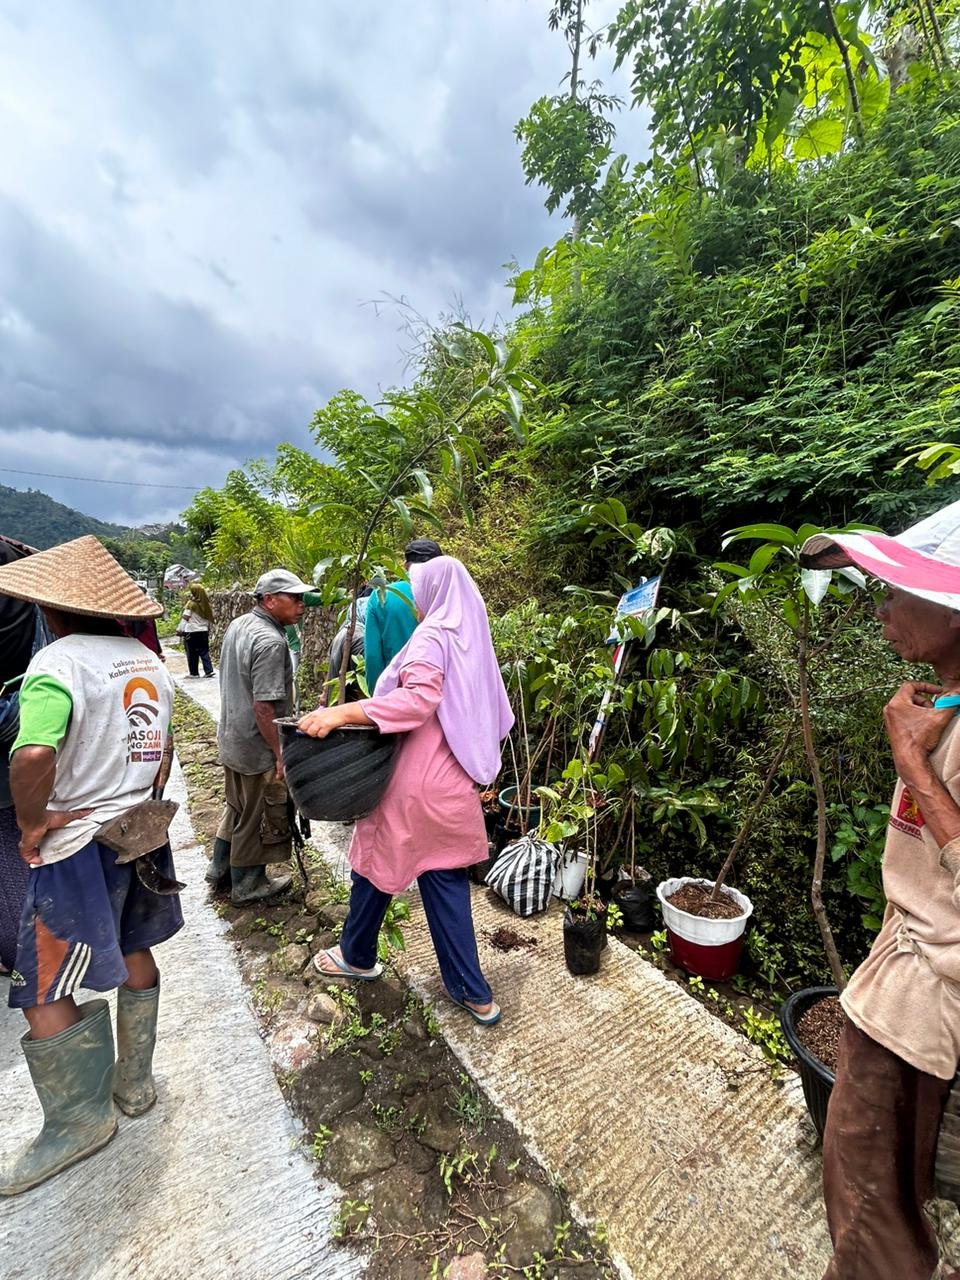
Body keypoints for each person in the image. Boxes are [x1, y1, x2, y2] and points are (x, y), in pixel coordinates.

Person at [801, 500, 960, 1280]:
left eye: (898, 593)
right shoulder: (942, 706)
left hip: (925, 1003)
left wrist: (914, 768)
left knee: (870, 1218)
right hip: (905, 981)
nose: (882, 610)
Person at [0, 535, 182, 1195]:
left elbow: (32, 755)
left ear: (52, 608)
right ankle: (134, 1084)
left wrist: (31, 823)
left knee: (43, 986)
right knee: (135, 947)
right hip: (139, 832)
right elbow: (162, 752)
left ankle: (79, 1122)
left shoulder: (56, 663)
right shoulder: (148, 662)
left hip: (77, 844)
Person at [298, 555, 513, 1025]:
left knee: (374, 864)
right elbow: (498, 714)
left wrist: (342, 712)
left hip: (413, 783)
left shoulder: (433, 635)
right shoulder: (472, 639)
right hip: (454, 783)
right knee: (444, 881)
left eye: (418, 590)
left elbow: (417, 700)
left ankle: (356, 956)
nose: (415, 601)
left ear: (434, 590)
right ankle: (473, 993)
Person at [210, 567, 313, 903]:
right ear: (269, 600)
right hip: (256, 745)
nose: (301, 605)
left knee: (237, 806)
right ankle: (248, 884)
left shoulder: (239, 625)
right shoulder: (271, 642)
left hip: (232, 737)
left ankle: (219, 868)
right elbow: (264, 707)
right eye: (294, 598)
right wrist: (280, 754)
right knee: (258, 815)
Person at [0, 535, 50, 977]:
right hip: (24, 715)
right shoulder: (18, 561)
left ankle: (29, 968)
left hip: (15, 753)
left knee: (14, 853)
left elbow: (32, 755)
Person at [364, 538, 443, 694]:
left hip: (395, 694)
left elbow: (373, 657)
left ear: (406, 565)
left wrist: (377, 696)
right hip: (440, 693)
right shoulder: (449, 595)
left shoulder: (382, 596)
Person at [323, 587, 372, 704]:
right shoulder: (360, 638)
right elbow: (364, 690)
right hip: (348, 708)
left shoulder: (344, 632)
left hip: (336, 707)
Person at [178, 582, 215, 678]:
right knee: (204, 651)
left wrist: (180, 629)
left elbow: (185, 617)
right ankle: (209, 671)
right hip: (203, 631)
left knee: (192, 653)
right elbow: (210, 619)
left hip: (191, 632)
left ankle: (194, 673)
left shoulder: (191, 604)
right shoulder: (206, 605)